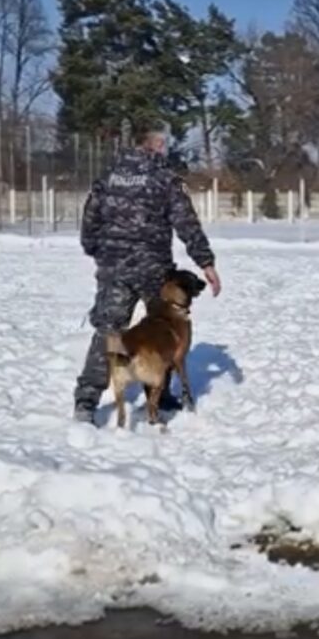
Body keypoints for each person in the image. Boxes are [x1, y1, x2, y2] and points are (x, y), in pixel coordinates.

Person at [73, 127, 221, 424]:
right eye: (161, 142)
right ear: (153, 145)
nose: (164, 147)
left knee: (109, 332)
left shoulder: (108, 176)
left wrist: (95, 250)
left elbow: (91, 218)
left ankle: (87, 402)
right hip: (153, 269)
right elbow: (185, 222)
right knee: (160, 330)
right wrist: (205, 261)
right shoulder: (165, 178)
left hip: (114, 268)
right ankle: (160, 393)